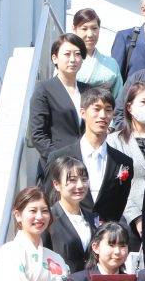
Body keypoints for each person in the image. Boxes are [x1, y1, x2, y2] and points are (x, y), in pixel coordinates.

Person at [49, 87, 134, 226]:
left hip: (106, 234)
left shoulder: (123, 162)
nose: (103, 115)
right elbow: (51, 200)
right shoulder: (59, 157)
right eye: (96, 109)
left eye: (108, 110)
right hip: (68, 231)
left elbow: (119, 206)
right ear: (83, 113)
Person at [107, 81, 145, 245]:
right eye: (143, 102)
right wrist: (136, 216)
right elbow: (114, 185)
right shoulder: (114, 141)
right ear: (129, 107)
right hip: (126, 218)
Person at [30, 33, 87, 177]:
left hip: (86, 166)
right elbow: (38, 135)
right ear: (54, 58)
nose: (73, 59)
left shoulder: (89, 90)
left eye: (78, 54)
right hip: (56, 167)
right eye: (67, 54)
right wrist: (59, 160)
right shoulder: (44, 89)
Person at [42, 156, 95, 274]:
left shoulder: (92, 218)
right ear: (56, 184)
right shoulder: (48, 218)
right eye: (72, 180)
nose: (80, 185)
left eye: (84, 179)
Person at [72, 8, 123, 97]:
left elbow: (119, 97)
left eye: (94, 28)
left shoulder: (112, 64)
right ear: (74, 29)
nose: (90, 34)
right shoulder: (66, 59)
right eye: (84, 29)